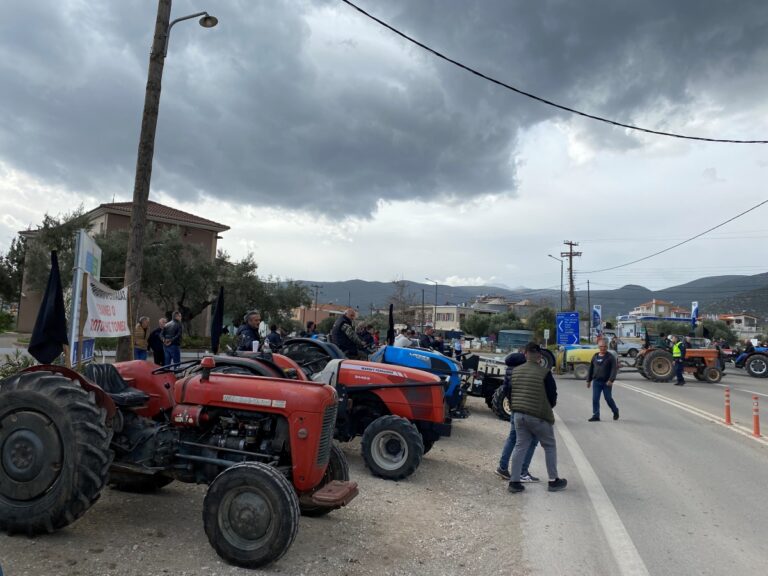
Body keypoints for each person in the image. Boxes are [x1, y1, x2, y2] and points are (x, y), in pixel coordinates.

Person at [508, 342, 566, 493]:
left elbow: (508, 391)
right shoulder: (545, 373)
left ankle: (514, 482)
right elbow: (553, 396)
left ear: (525, 354)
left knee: (520, 446)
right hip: (538, 416)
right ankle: (553, 481)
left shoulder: (516, 371)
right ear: (540, 356)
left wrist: (516, 407)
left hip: (518, 414)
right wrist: (546, 409)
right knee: (549, 446)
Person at [496, 350, 540, 483]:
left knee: (513, 438)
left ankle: (503, 467)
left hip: (515, 408)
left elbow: (506, 389)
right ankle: (522, 472)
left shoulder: (510, 370)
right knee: (531, 440)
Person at [586, 339, 619, 421]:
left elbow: (614, 370)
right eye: (601, 346)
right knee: (595, 399)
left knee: (608, 398)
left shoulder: (610, 357)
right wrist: (588, 380)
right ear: (598, 347)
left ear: (607, 347)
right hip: (596, 382)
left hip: (606, 382)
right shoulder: (595, 356)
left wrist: (611, 380)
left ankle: (615, 411)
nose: (603, 348)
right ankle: (596, 415)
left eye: (604, 347)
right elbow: (591, 368)